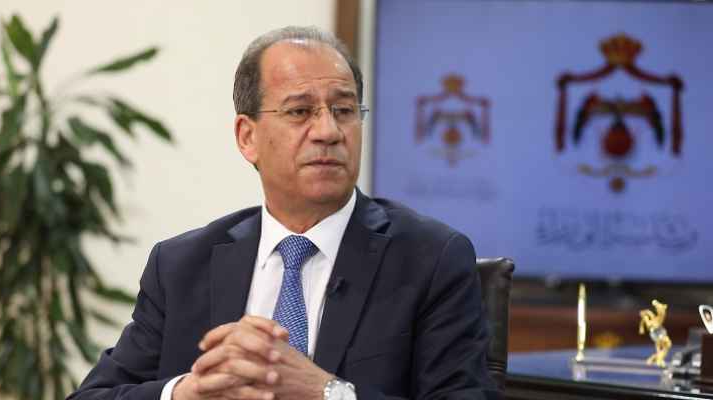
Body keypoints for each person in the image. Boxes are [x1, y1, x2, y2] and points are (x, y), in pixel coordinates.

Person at [68, 26, 499, 400]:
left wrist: (327, 393)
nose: (328, 131)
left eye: (344, 110)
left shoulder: (431, 259)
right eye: (300, 111)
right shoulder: (180, 266)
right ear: (247, 137)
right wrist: (187, 392)